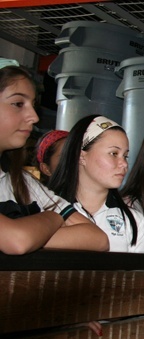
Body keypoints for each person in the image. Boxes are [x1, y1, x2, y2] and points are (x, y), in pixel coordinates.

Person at [0, 58, 109, 255]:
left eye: (32, 104)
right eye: (18, 103)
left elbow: (97, 238)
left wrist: (31, 233)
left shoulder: (21, 181)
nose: (33, 116)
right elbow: (17, 241)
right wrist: (54, 217)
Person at [48, 114, 144, 253]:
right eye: (114, 153)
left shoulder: (134, 221)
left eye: (125, 156)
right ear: (82, 156)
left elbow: (138, 274)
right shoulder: (46, 211)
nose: (124, 164)